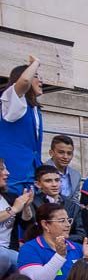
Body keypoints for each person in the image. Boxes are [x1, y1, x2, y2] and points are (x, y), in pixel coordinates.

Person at [17, 202, 88, 280]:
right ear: (45, 224)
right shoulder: (30, 249)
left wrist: (87, 259)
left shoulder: (78, 248)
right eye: (62, 221)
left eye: (68, 220)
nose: (68, 225)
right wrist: (59, 256)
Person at [0, 57, 44, 193]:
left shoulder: (35, 109)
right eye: (36, 76)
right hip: (12, 178)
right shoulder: (14, 101)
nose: (41, 81)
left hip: (30, 178)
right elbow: (24, 81)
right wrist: (35, 63)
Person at [21, 164, 83, 242]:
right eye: (48, 181)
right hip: (41, 248)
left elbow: (81, 235)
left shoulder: (72, 205)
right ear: (38, 184)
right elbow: (29, 229)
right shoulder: (32, 203)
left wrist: (60, 240)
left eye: (57, 180)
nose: (54, 184)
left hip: (68, 247)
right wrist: (26, 207)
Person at [0, 157, 34, 272]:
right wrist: (13, 209)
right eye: (2, 169)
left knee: (30, 264)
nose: (7, 173)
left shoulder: (10, 198)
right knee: (3, 255)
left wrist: (26, 207)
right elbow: (14, 209)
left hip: (10, 250)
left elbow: (27, 224)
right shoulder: (13, 205)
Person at [47, 134, 81, 202]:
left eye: (69, 153)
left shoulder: (76, 175)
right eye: (61, 152)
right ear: (51, 153)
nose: (65, 157)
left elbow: (75, 201)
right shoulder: (41, 170)